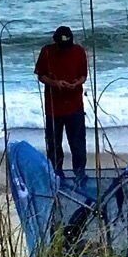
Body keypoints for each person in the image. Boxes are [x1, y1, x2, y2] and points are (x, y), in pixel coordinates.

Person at [35, 24, 89, 178]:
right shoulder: (47, 51)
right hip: (53, 107)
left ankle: (80, 174)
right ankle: (56, 174)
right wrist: (56, 83)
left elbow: (84, 75)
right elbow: (41, 74)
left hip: (75, 105)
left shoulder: (79, 51)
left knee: (78, 143)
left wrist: (76, 83)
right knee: (53, 144)